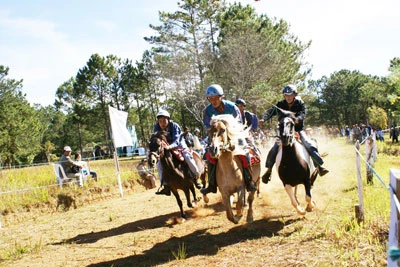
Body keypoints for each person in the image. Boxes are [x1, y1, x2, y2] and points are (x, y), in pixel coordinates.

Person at [261, 84, 329, 184]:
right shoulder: (280, 104)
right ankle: (269, 170)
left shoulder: (300, 103)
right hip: (284, 132)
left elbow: (303, 113)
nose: (288, 97)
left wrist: (298, 119)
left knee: (309, 145)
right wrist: (263, 118)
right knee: (274, 149)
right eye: (286, 95)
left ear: (294, 95)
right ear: (284, 96)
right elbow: (270, 112)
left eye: (290, 95)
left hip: (298, 130)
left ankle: (319, 166)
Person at [200, 84, 257, 195]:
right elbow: (206, 124)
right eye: (211, 99)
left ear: (221, 97)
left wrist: (228, 128)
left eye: (216, 98)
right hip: (216, 136)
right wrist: (210, 125)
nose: (214, 101)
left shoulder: (232, 107)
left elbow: (239, 123)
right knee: (208, 155)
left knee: (245, 153)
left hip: (233, 135)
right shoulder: (207, 110)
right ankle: (211, 184)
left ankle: (249, 181)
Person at [154, 109, 202, 196]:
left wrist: (169, 146)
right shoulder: (156, 127)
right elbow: (156, 138)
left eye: (164, 120)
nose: (162, 123)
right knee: (159, 163)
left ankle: (195, 177)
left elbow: (177, 140)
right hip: (166, 146)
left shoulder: (174, 126)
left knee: (187, 156)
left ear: (168, 119)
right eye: (160, 121)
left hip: (179, 144)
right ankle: (165, 185)